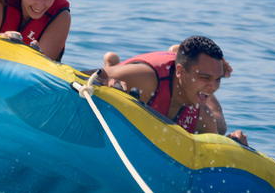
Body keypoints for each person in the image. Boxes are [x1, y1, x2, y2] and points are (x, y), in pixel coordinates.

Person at [99, 35, 248, 146]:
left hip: (183, 84)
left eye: (218, 79)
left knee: (220, 126)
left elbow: (212, 156)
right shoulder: (147, 79)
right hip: (160, 74)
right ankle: (112, 65)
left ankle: (189, 62)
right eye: (206, 77)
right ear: (180, 71)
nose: (214, 87)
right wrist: (107, 80)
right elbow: (87, 76)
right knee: (114, 80)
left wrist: (231, 144)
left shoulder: (203, 118)